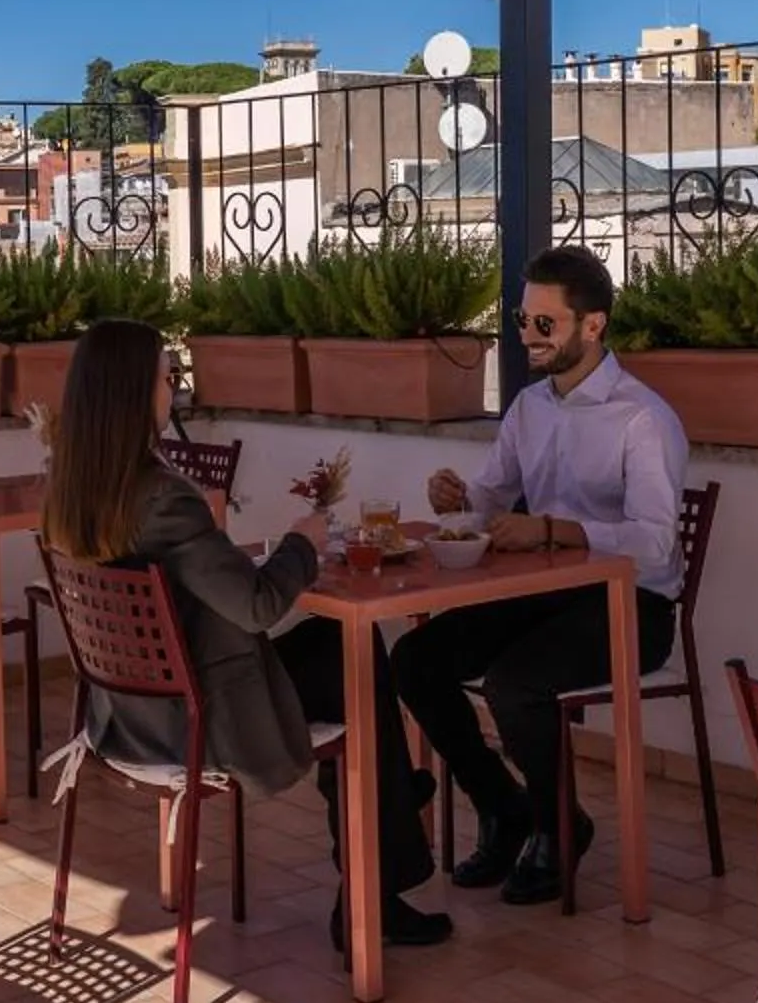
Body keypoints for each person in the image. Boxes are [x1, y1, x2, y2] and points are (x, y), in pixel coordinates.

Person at [40, 318, 451, 949]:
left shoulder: (69, 493)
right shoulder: (163, 500)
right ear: (131, 393)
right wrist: (301, 542)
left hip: (126, 714)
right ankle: (383, 859)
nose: (174, 391)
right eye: (167, 378)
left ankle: (391, 816)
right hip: (200, 720)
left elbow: (207, 590)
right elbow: (257, 606)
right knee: (354, 657)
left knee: (341, 653)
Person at [392, 244, 688, 906]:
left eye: (544, 323)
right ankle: (505, 808)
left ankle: (560, 828)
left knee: (514, 684)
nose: (528, 335)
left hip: (632, 605)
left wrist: (553, 530)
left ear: (593, 325)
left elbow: (654, 542)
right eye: (523, 321)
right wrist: (458, 500)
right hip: (544, 592)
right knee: (416, 660)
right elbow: (490, 499)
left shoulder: (643, 419)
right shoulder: (530, 407)